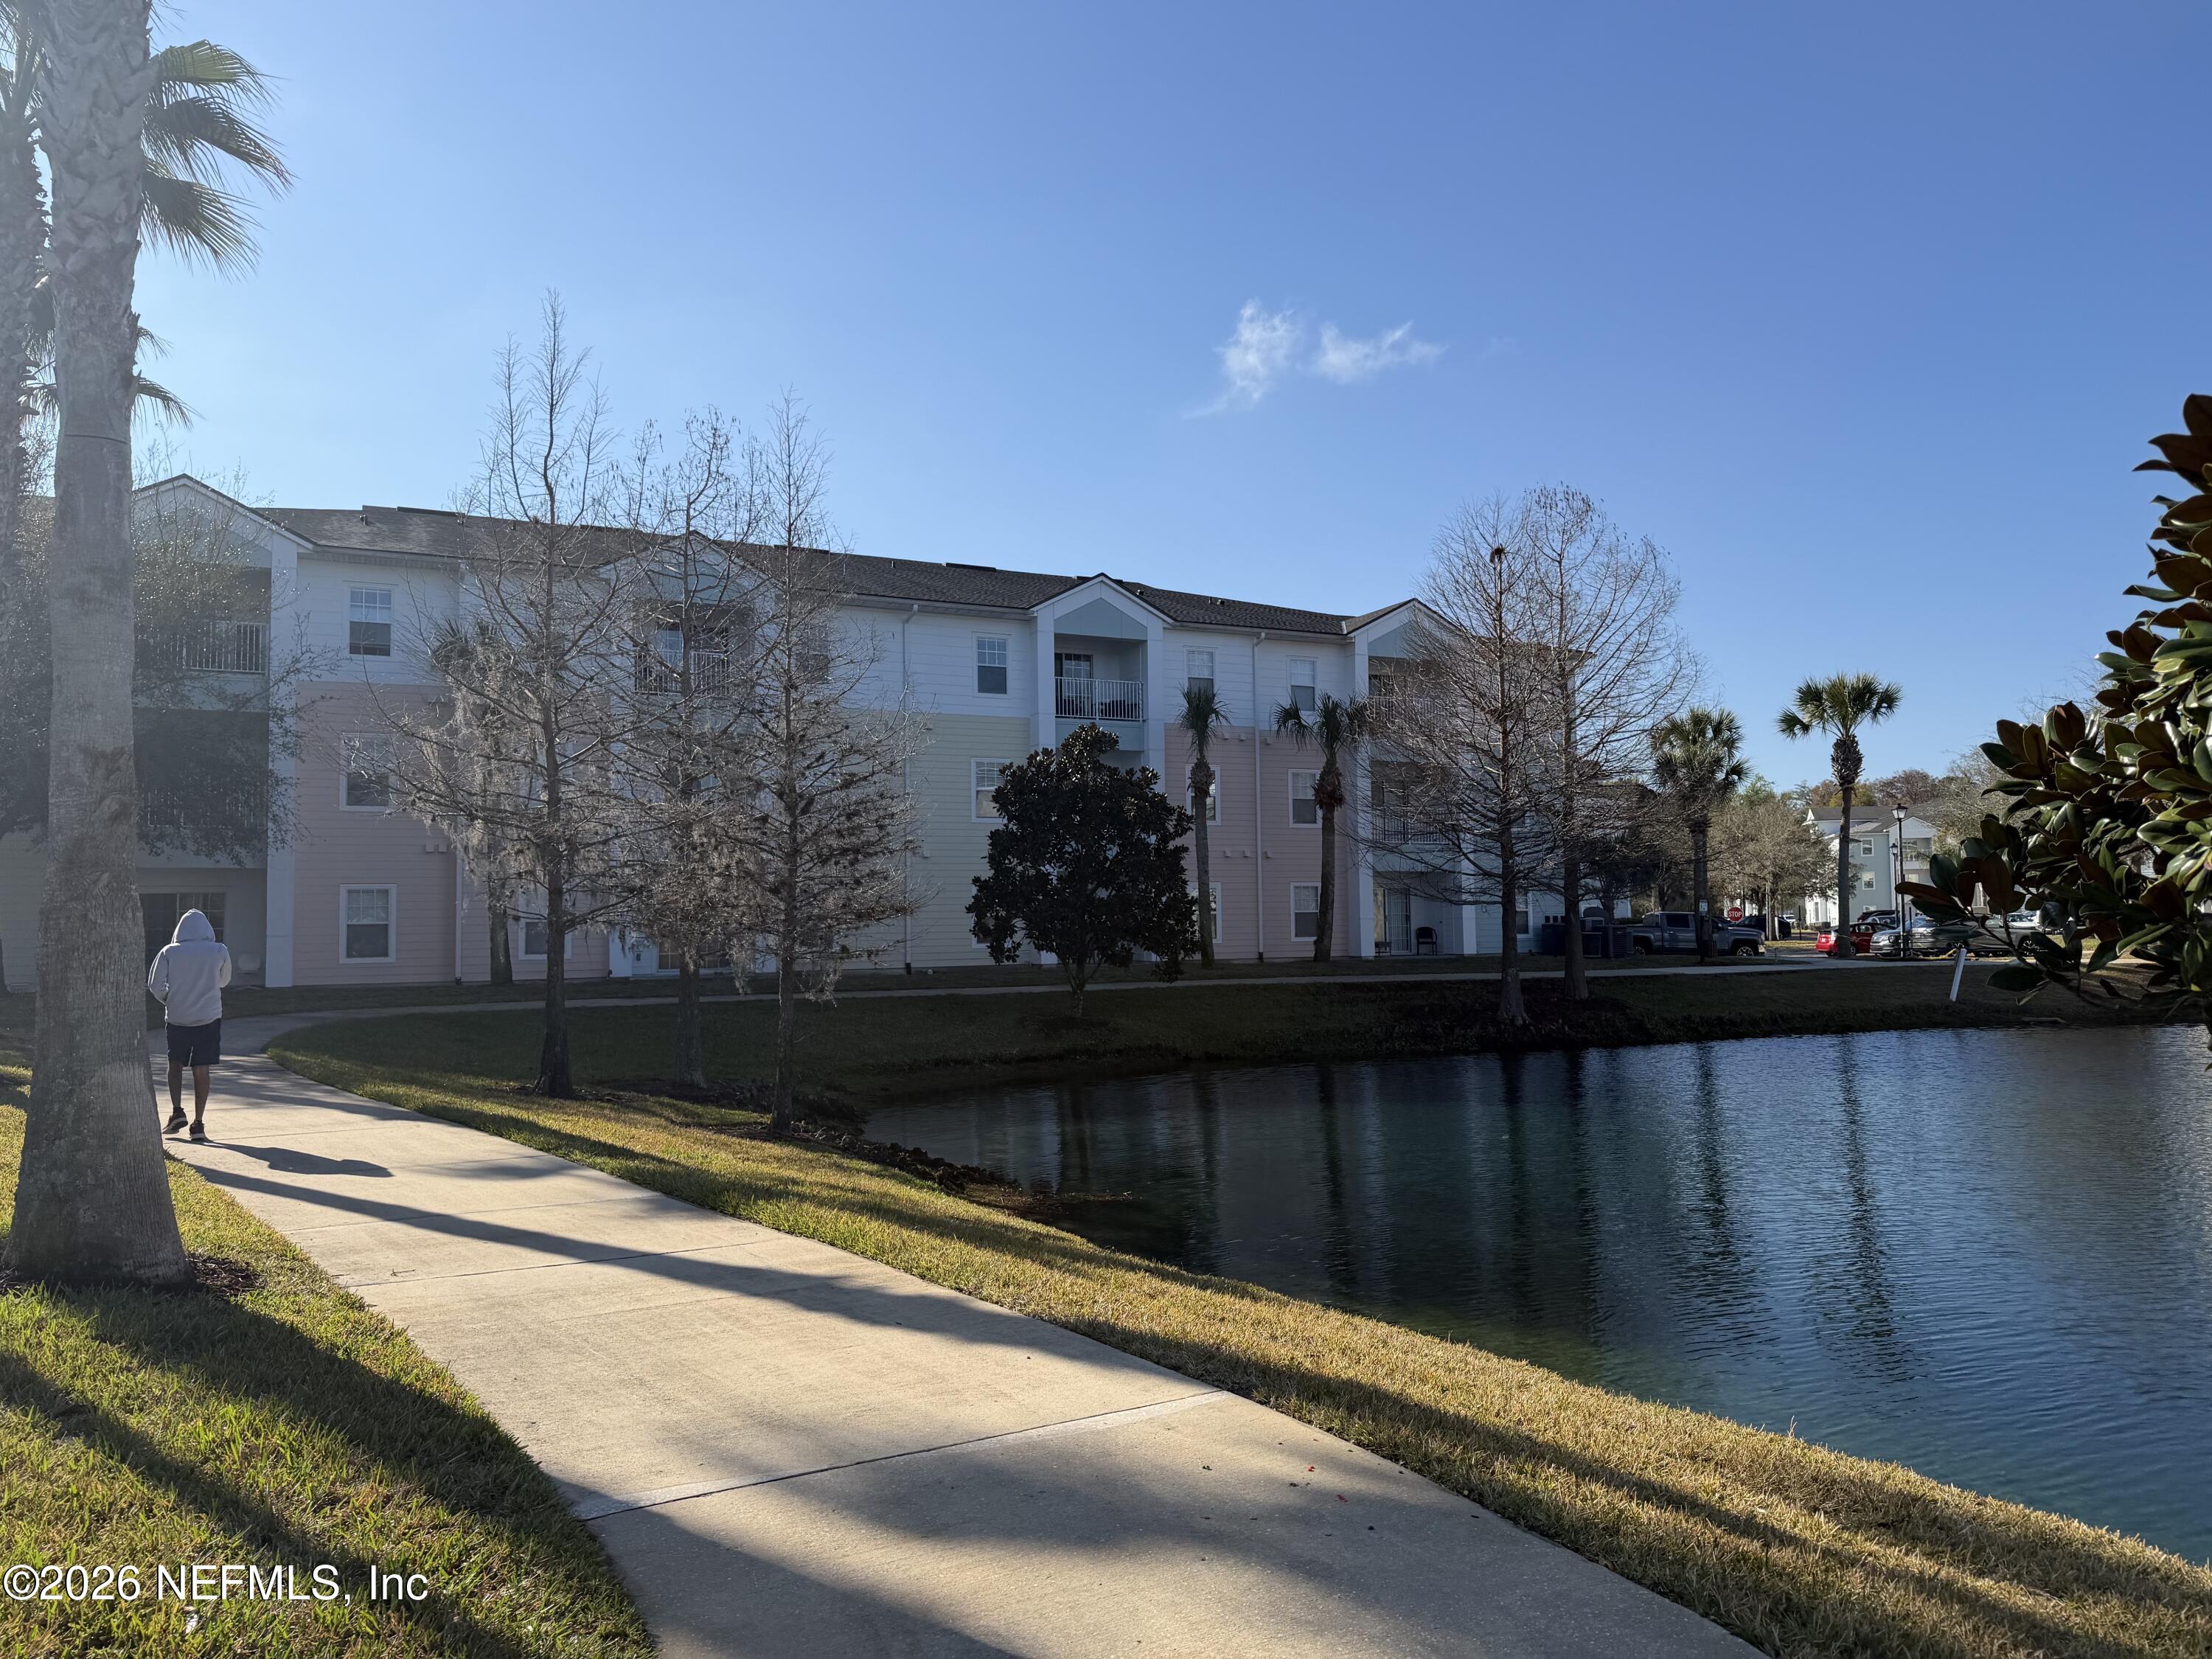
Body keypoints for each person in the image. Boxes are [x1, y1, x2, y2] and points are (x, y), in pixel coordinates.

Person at [147, 908, 231, 1141]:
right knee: (201, 1069)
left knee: (175, 1064)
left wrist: (170, 999)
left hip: (177, 1017)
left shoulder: (169, 952)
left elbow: (155, 986)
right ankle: (199, 1123)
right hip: (209, 1018)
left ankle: (176, 1112)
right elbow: (224, 981)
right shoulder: (219, 951)